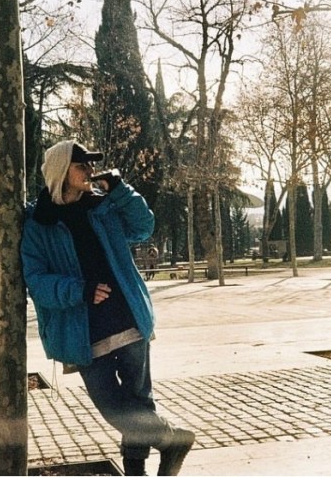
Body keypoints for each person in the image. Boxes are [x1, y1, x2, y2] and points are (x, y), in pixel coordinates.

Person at [21, 139, 195, 476]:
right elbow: (36, 280)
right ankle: (172, 439)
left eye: (90, 164)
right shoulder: (38, 223)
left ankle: (137, 471)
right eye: (81, 165)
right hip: (82, 331)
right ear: (61, 171)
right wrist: (80, 290)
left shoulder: (104, 206)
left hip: (128, 317)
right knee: (113, 408)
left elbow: (143, 228)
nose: (89, 170)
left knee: (138, 401)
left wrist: (121, 191)